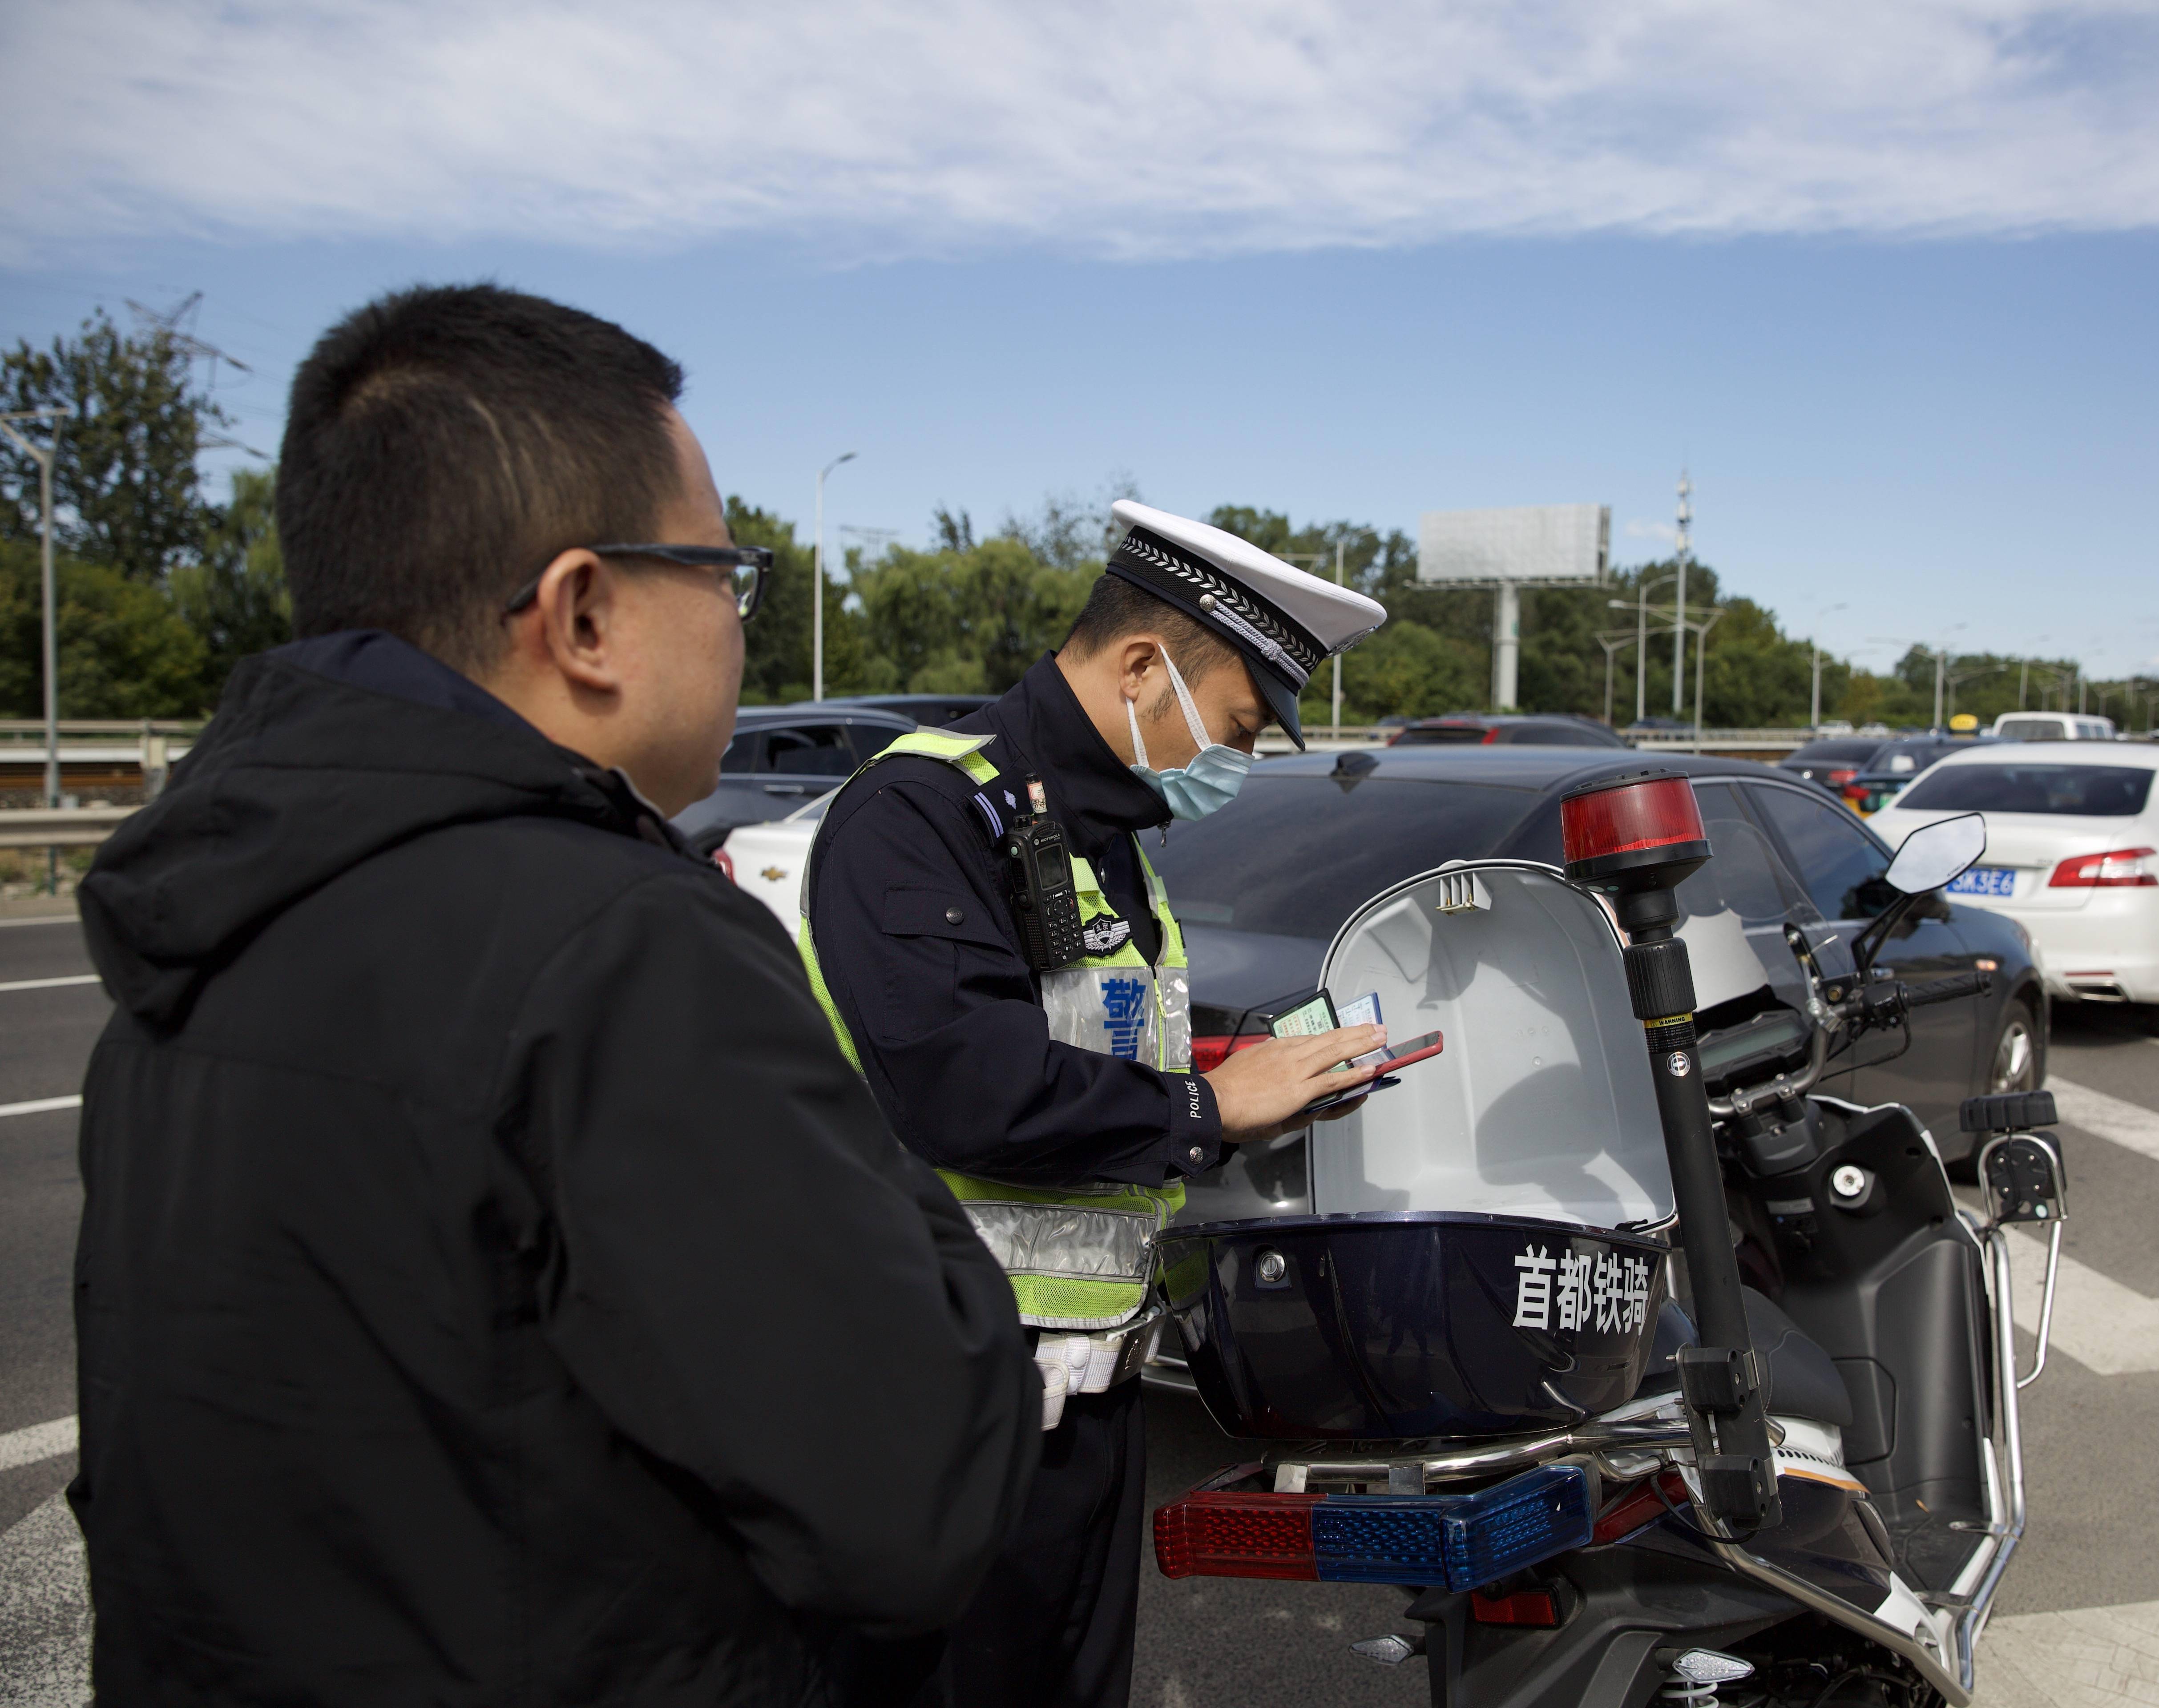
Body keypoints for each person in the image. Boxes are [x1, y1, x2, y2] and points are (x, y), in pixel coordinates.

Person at [70, 284, 1038, 1704]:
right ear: (585, 612)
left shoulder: (198, 919)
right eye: (725, 573)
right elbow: (919, 1496)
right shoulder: (621, 949)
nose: (739, 624)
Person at [800, 501, 1388, 1707]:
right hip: (938, 1402)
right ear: (1141, 667)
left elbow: (1108, 1060)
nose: (1239, 761)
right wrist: (1208, 1109)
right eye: (1237, 726)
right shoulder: (921, 814)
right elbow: (966, 1087)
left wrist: (1264, 1088)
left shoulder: (1104, 837)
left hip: (1089, 1398)